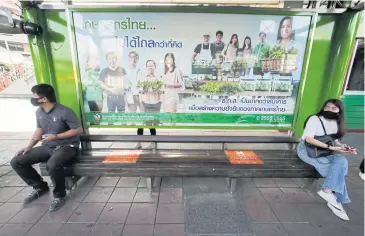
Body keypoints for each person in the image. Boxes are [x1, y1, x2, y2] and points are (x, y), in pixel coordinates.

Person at [10, 84, 83, 212]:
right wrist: (28, 146)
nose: (32, 98)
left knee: (53, 165)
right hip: (48, 146)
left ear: (44, 99)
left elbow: (78, 129)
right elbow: (39, 129)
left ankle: (59, 195)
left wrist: (56, 136)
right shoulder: (39, 111)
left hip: (67, 147)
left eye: (35, 95)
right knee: (17, 161)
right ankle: (39, 186)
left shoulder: (64, 111)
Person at [297, 99, 357, 221]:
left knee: (342, 161)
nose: (329, 110)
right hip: (309, 151)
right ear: (323, 108)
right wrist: (330, 147)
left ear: (339, 111)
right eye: (327, 107)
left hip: (324, 151)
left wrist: (343, 147)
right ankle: (337, 202)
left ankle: (328, 191)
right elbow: (308, 139)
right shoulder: (314, 119)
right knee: (336, 171)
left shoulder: (336, 122)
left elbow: (333, 140)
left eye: (333, 108)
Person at [135, 60, 162, 149]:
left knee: (152, 125)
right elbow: (139, 88)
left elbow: (163, 90)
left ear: (155, 67)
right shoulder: (143, 78)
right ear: (146, 67)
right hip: (144, 103)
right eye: (148, 66)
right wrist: (143, 89)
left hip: (155, 104)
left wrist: (157, 90)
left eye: (152, 66)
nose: (150, 67)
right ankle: (138, 143)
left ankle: (153, 144)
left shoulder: (159, 78)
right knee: (141, 124)